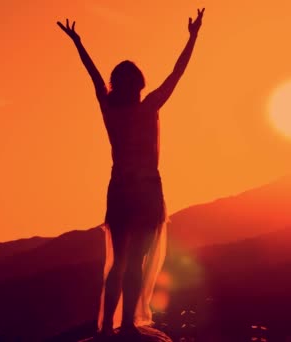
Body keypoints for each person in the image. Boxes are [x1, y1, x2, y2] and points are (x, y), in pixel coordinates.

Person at [57, 8, 205, 337]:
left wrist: (78, 44)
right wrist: (78, 44)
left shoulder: (128, 107)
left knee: (125, 261)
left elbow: (97, 77)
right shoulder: (140, 106)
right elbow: (174, 75)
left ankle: (119, 326)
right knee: (129, 261)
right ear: (135, 84)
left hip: (135, 189)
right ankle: (120, 326)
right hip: (135, 190)